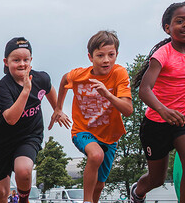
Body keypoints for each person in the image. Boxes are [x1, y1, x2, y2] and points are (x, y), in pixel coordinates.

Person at [128, 2, 185, 203]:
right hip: (156, 123)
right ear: (167, 27)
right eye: (180, 21)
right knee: (157, 179)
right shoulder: (162, 55)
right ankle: (137, 192)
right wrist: (163, 110)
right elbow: (144, 90)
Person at [54, 31, 133, 203]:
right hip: (82, 130)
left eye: (111, 55)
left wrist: (108, 95)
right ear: (90, 57)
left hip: (110, 136)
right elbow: (63, 80)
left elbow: (128, 110)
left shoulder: (119, 74)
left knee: (99, 185)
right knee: (96, 155)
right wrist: (58, 108)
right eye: (100, 55)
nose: (106, 60)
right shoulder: (79, 75)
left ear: (117, 55)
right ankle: (86, 201)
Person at [0, 37, 68, 203]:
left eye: (26, 60)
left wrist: (58, 109)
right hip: (4, 141)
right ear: (6, 62)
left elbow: (49, 89)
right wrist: (26, 91)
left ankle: (23, 199)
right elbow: (11, 119)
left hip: (29, 135)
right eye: (16, 60)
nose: (22, 64)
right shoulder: (4, 87)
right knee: (0, 192)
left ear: (31, 60)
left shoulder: (41, 78)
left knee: (24, 170)